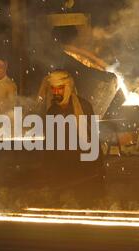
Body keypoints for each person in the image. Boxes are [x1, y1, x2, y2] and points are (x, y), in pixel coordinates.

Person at [38, 70, 105, 208]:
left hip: (83, 172)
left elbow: (92, 139)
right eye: (53, 89)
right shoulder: (52, 111)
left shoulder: (84, 106)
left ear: (67, 87)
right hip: (61, 174)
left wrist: (98, 167)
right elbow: (49, 147)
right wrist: (47, 172)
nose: (56, 92)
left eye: (60, 88)